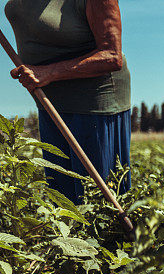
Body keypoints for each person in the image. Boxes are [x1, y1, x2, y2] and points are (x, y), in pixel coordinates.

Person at [5, 0, 132, 205]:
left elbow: (112, 56)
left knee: (98, 202)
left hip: (93, 105)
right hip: (48, 101)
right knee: (63, 200)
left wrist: (49, 72)